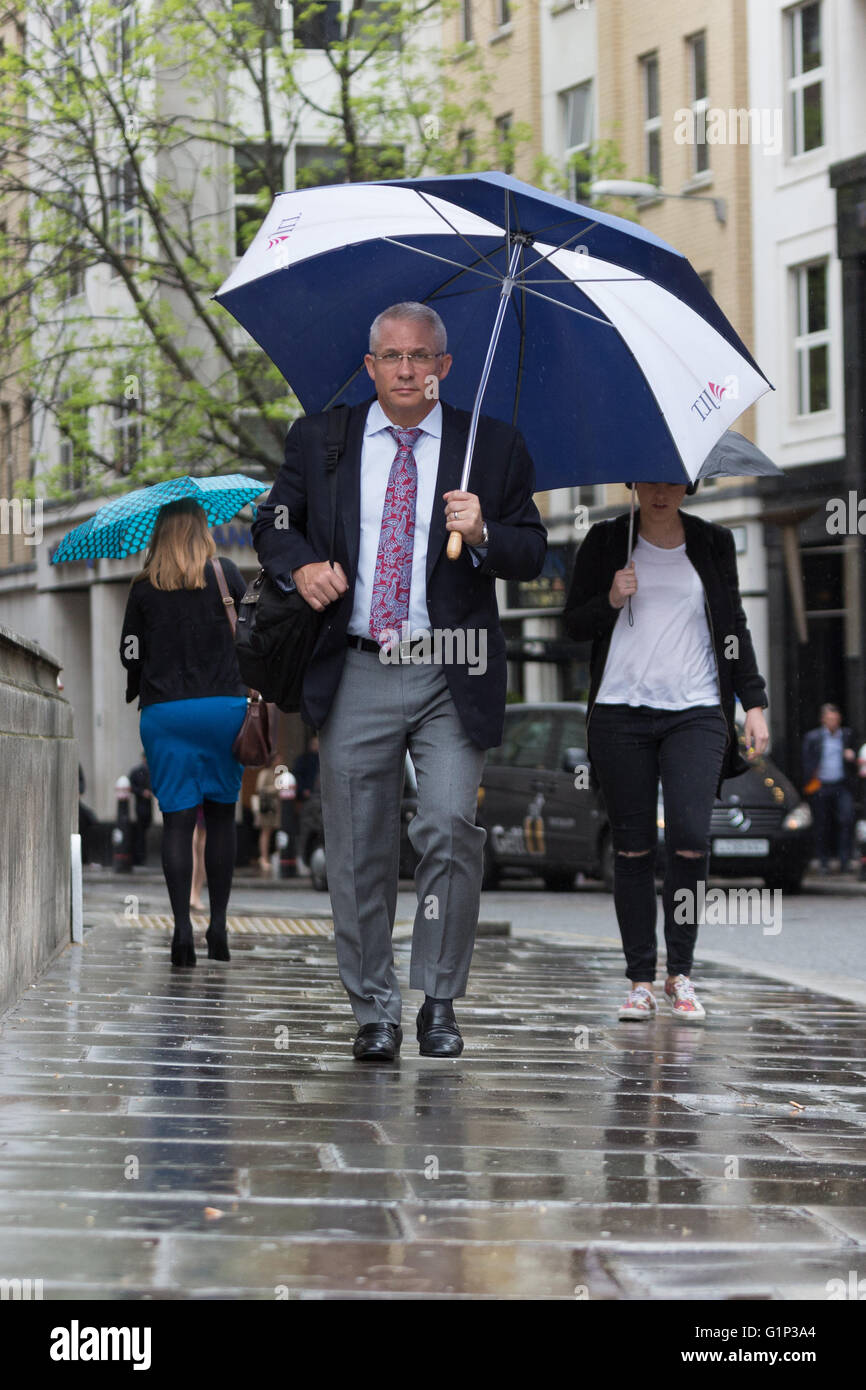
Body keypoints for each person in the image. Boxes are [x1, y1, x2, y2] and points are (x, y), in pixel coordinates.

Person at [252, 300, 546, 1060]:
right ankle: (374, 1008)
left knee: (450, 826)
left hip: (451, 666)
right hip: (356, 665)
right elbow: (271, 525)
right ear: (371, 365)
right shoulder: (323, 438)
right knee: (357, 847)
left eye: (422, 357)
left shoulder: (496, 448)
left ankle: (439, 1001)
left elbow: (532, 550)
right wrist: (303, 566)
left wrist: (483, 533)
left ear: (445, 367)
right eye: (392, 356)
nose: (407, 369)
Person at [563, 480, 769, 1024]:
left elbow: (734, 627)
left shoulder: (713, 542)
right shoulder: (606, 541)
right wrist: (610, 599)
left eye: (672, 481)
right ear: (633, 483)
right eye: (650, 480)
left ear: (688, 486)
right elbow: (571, 625)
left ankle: (681, 973)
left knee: (689, 838)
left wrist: (755, 702)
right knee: (631, 849)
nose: (660, 492)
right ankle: (639, 981)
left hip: (697, 711)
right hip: (619, 713)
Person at [119, 498, 248, 967]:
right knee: (220, 817)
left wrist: (141, 684)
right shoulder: (226, 573)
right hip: (222, 709)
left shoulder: (143, 588)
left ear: (160, 532)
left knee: (176, 821)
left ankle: (180, 933)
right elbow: (248, 633)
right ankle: (218, 925)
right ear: (201, 528)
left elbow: (129, 651)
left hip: (167, 713)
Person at [802, 704, 858, 873]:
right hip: (821, 785)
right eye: (829, 719)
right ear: (823, 720)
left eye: (835, 719)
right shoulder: (813, 737)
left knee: (846, 820)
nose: (833, 722)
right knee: (822, 824)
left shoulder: (847, 735)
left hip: (841, 784)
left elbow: (857, 754)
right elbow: (806, 760)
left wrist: (852, 756)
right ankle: (823, 861)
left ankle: (844, 860)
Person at [252, 759, 280, 874]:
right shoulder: (265, 773)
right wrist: (276, 788)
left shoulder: (278, 773)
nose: (279, 762)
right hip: (266, 807)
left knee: (272, 831)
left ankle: (271, 856)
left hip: (274, 808)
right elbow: (260, 789)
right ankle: (264, 857)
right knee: (266, 832)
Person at [129, 753, 153, 867]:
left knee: (143, 831)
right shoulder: (138, 772)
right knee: (140, 832)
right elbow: (132, 787)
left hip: (146, 805)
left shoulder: (148, 771)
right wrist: (142, 792)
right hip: (140, 805)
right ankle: (139, 857)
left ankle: (141, 857)